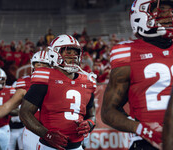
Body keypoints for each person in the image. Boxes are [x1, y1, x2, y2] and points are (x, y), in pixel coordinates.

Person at [101, 0, 173, 150]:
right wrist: (143, 129)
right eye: (163, 11)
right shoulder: (127, 53)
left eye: (171, 11)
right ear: (141, 16)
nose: (170, 15)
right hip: (147, 142)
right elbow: (108, 111)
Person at [19, 34, 97, 150]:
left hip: (77, 147)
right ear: (54, 54)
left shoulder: (87, 81)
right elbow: (25, 113)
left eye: (75, 53)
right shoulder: (46, 78)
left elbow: (92, 114)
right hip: (49, 146)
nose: (73, 56)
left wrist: (90, 123)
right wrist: (47, 134)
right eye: (68, 52)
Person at [0, 50, 50, 150]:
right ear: (32, 66)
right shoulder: (24, 83)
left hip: (54, 128)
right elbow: (8, 106)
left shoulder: (59, 82)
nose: (40, 67)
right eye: (38, 64)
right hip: (32, 130)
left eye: (45, 65)